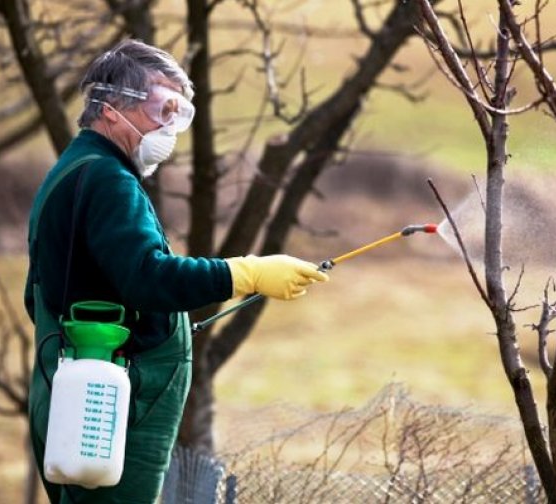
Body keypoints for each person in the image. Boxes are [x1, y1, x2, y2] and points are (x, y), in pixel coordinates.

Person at [24, 39, 328, 503]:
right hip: (111, 409)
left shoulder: (73, 170)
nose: (170, 128)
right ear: (110, 109)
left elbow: (42, 296)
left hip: (75, 396)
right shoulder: (108, 180)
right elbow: (149, 277)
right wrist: (244, 274)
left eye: (178, 113)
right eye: (161, 109)